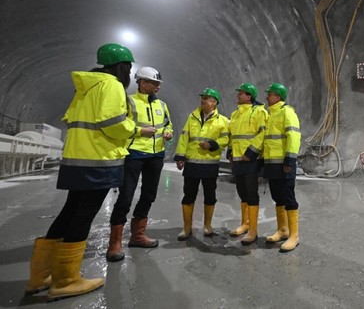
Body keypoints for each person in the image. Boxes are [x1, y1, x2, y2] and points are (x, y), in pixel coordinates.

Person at [24, 43, 138, 301]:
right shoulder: (111, 85)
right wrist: (133, 128)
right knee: (83, 216)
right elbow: (113, 123)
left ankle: (39, 276)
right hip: (97, 160)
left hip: (77, 158)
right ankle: (66, 280)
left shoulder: (87, 87)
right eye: (128, 68)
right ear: (123, 67)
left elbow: (71, 119)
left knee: (69, 212)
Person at [106, 66, 173, 262]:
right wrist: (139, 132)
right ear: (143, 83)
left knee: (149, 195)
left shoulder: (162, 105)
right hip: (133, 154)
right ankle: (115, 243)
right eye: (155, 84)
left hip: (156, 155)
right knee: (125, 196)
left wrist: (168, 133)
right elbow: (120, 126)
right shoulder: (129, 101)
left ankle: (138, 235)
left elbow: (168, 124)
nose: (158, 88)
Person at [174, 88, 229, 240]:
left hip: (210, 164)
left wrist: (212, 144)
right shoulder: (192, 117)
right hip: (192, 163)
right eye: (202, 97)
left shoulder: (222, 121)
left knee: (210, 195)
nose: (203, 100)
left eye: (207, 98)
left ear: (215, 102)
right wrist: (180, 156)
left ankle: (207, 226)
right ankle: (186, 228)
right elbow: (184, 137)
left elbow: (225, 140)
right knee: (188, 195)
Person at [262, 83, 301, 252]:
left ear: (278, 97)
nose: (266, 97)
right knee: (277, 197)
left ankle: (294, 235)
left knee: (288, 197)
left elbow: (293, 136)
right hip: (272, 164)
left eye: (269, 94)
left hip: (284, 164)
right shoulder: (271, 115)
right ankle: (283, 230)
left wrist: (289, 161)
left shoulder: (287, 112)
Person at [227, 83, 268, 245]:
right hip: (237, 160)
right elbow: (233, 135)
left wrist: (251, 152)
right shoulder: (235, 114)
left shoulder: (259, 112)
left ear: (249, 96)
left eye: (241, 94)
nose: (238, 96)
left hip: (251, 160)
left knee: (251, 193)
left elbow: (263, 133)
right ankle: (245, 224)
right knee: (242, 192)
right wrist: (230, 151)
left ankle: (253, 231)